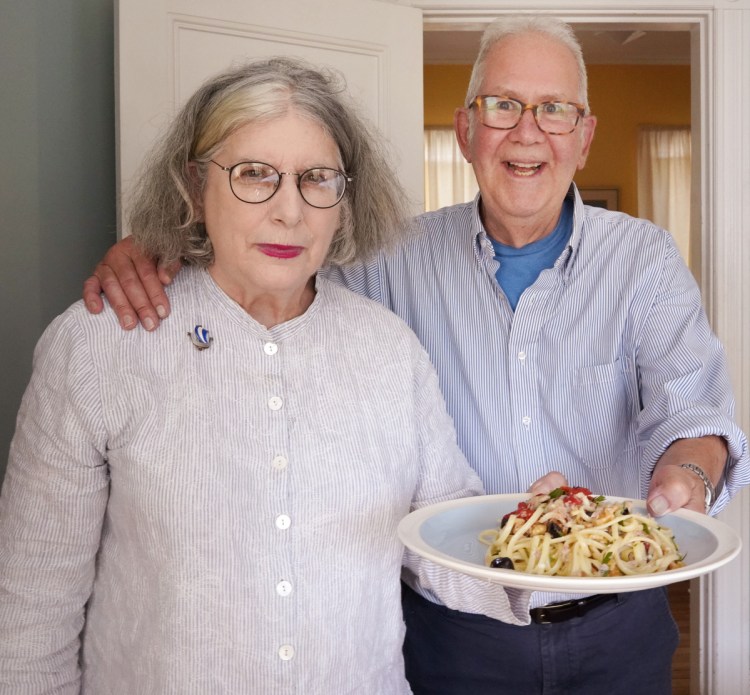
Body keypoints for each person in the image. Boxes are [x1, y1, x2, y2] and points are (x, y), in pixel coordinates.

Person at [79, 16, 749, 695]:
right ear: (465, 131)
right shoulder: (386, 257)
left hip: (615, 619)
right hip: (450, 631)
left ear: (584, 136)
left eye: (555, 110)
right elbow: (270, 270)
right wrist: (163, 248)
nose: (527, 131)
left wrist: (687, 471)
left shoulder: (645, 260)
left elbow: (695, 411)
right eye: (502, 106)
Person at [0, 57, 540, 695]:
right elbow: (33, 616)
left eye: (317, 179)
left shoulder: (390, 351)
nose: (291, 211)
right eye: (254, 175)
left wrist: (542, 540)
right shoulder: (95, 349)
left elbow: (445, 549)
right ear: (194, 186)